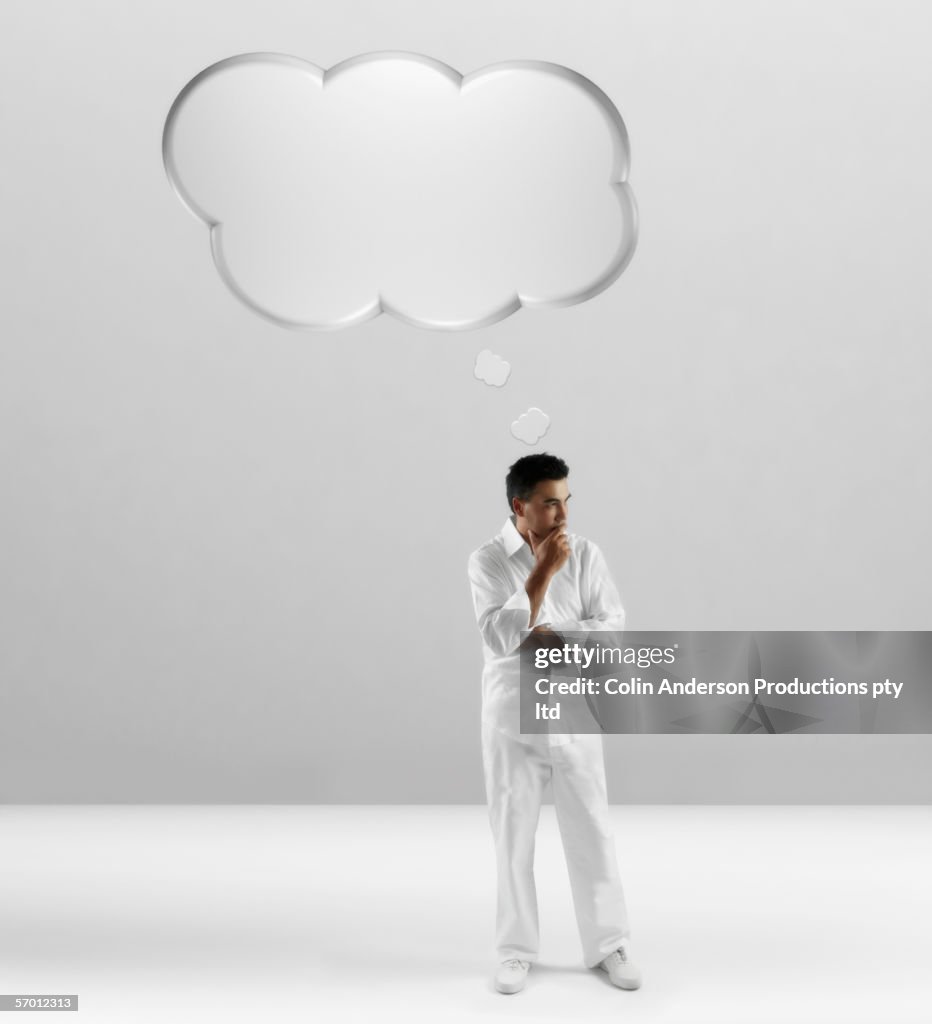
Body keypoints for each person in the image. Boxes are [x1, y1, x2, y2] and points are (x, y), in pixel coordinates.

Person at [466, 452, 642, 995]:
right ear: (520, 506)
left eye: (566, 501)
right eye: (549, 503)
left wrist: (555, 635)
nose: (563, 515)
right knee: (513, 836)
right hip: (510, 717)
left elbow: (612, 629)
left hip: (573, 709)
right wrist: (541, 573)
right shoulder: (489, 561)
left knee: (592, 828)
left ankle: (609, 945)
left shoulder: (587, 555)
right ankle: (515, 951)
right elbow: (498, 637)